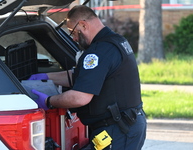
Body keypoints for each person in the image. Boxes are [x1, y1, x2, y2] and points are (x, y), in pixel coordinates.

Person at [29, 5, 147, 150]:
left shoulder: (98, 52)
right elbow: (84, 77)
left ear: (83, 25)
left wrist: (48, 101)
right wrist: (46, 77)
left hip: (116, 130)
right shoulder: (116, 41)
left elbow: (80, 97)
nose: (73, 38)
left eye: (73, 33)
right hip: (125, 124)